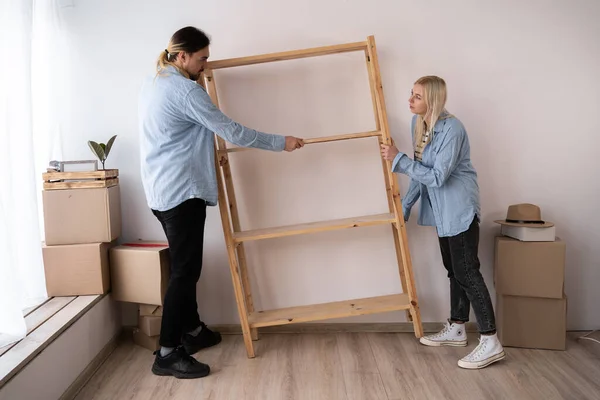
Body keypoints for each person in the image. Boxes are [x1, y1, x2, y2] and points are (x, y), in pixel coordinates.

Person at [138, 26, 305, 379]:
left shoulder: (156, 81)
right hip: (181, 193)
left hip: (161, 190)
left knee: (185, 267)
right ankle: (167, 353)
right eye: (202, 59)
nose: (205, 66)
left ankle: (194, 331)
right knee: (185, 271)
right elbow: (233, 131)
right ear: (182, 56)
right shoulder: (185, 91)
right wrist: (281, 142)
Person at [380, 76, 505, 369]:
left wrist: (397, 159)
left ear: (432, 101)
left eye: (417, 96)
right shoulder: (420, 125)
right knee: (453, 270)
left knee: (467, 272)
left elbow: (437, 176)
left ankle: (490, 340)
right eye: (411, 94)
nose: (410, 100)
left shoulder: (453, 129)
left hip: (459, 207)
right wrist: (405, 205)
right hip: (441, 210)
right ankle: (458, 327)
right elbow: (421, 171)